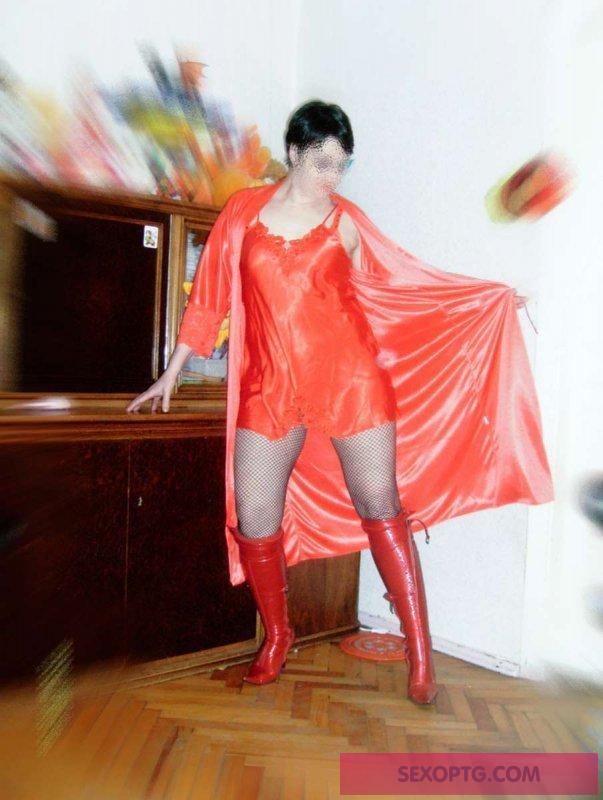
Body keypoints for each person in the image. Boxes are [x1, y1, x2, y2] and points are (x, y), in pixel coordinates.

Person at [126, 100, 553, 706]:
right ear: (293, 152)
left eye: (342, 165)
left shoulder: (348, 221)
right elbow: (210, 297)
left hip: (350, 380)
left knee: (381, 504)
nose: (333, 176)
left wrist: (484, 300)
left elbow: (406, 283)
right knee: (255, 518)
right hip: (271, 385)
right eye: (322, 162)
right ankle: (279, 637)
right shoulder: (244, 212)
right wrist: (173, 371)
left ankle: (420, 651)